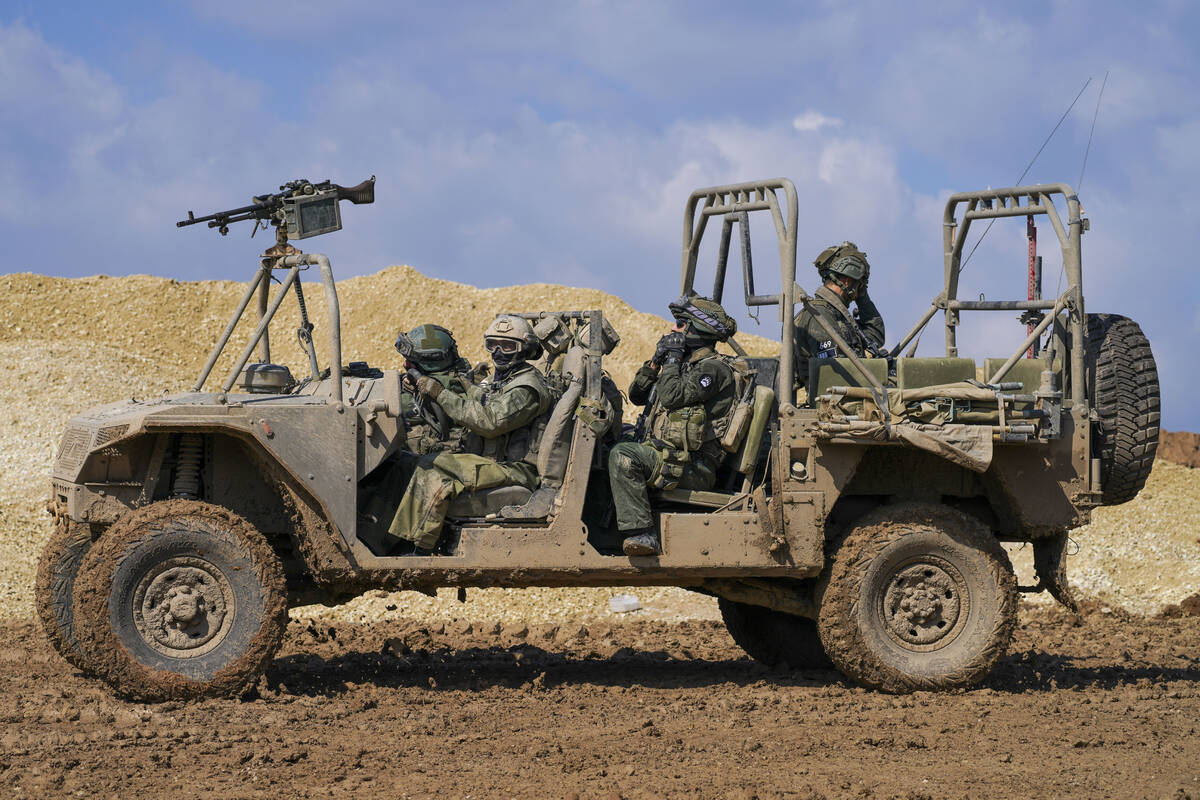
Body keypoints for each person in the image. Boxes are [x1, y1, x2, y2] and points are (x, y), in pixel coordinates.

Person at [384, 315, 556, 555]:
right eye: (492, 344)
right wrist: (434, 390)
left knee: (431, 465)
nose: (498, 352)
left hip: (515, 470)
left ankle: (421, 549)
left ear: (524, 349)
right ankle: (394, 542)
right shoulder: (505, 379)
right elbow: (480, 400)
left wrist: (440, 393)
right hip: (492, 463)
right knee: (407, 461)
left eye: (508, 346)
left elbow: (490, 421)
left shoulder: (526, 389)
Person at [608, 296, 739, 556]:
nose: (673, 330)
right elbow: (636, 395)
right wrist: (657, 361)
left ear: (697, 330)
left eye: (680, 324)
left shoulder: (713, 370)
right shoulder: (683, 365)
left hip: (694, 466)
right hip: (670, 456)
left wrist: (672, 360)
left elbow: (672, 396)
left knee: (623, 457)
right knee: (608, 444)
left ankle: (642, 534)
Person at [793, 241, 886, 395]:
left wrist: (863, 298)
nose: (860, 291)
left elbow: (876, 337)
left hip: (845, 402)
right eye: (860, 285)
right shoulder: (819, 316)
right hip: (836, 405)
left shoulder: (837, 316)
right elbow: (838, 375)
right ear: (847, 281)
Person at [393, 323, 473, 455]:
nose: (405, 364)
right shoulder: (467, 378)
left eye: (410, 360)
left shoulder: (440, 390)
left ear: (430, 364)